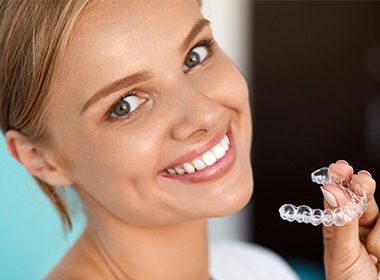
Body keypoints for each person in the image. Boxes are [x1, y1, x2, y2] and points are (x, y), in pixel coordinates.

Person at [0, 1, 379, 279]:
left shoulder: (253, 269)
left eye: (194, 56)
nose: (207, 114)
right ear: (40, 159)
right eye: (125, 105)